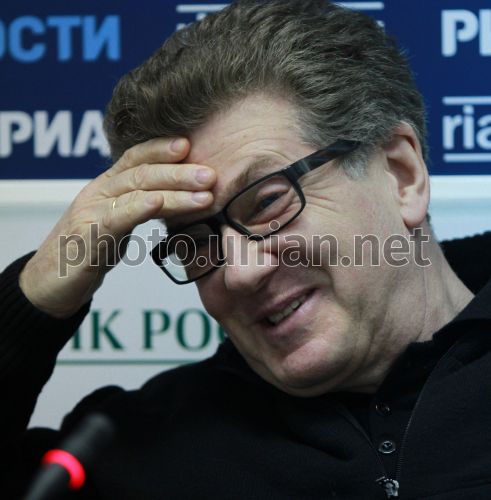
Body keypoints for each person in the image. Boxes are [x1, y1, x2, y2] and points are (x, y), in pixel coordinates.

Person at [1, 1, 491, 498]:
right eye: (196, 240)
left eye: (268, 202)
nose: (239, 272)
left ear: (401, 175)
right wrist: (30, 302)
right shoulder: (137, 447)